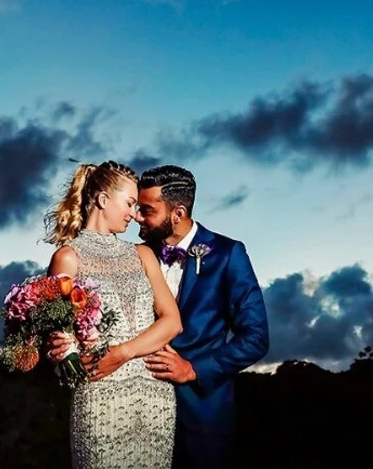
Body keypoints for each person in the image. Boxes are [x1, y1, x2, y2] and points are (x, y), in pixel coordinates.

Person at [45, 160, 182, 469]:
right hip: (99, 396)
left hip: (154, 398)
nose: (135, 215)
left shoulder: (143, 254)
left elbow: (173, 321)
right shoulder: (68, 258)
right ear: (103, 200)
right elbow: (59, 341)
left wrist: (122, 352)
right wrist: (62, 353)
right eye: (131, 203)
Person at [137, 165, 269, 469]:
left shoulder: (228, 254)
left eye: (147, 210)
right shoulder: (136, 255)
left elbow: (256, 338)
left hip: (201, 414)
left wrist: (194, 370)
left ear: (178, 213)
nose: (137, 218)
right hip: (138, 411)